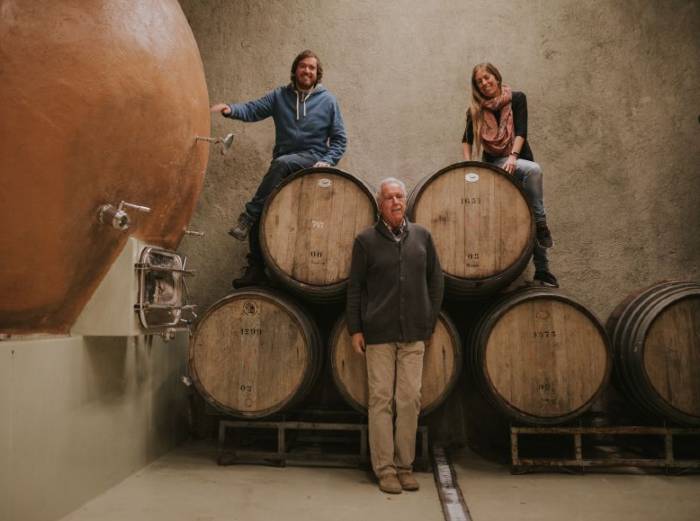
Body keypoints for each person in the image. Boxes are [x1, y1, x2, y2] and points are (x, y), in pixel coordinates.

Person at [210, 49, 347, 288]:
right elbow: (253, 109)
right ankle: (256, 268)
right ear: (295, 70)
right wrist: (230, 110)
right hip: (282, 163)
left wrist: (328, 160)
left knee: (280, 166)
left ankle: (247, 216)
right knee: (265, 209)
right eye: (303, 66)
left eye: (312, 68)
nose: (307, 71)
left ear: (317, 74)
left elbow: (339, 139)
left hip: (311, 160)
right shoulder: (279, 97)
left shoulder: (328, 100)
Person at [346, 178, 444, 494]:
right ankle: (385, 470)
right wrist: (355, 328)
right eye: (389, 197)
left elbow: (436, 283)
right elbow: (355, 288)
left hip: (415, 331)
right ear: (380, 204)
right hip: (378, 333)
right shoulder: (365, 241)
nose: (396, 201)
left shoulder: (422, 237)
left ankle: (405, 467)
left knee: (410, 400)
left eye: (400, 196)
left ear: (406, 201)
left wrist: (428, 323)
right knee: (380, 401)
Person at [462, 62, 558, 287]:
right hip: (496, 165)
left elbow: (521, 131)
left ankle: (543, 270)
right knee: (533, 184)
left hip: (519, 161)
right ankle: (542, 227)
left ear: (496, 77)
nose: (485, 83)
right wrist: (468, 165)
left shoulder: (517, 98)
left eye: (488, 77)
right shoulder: (475, 110)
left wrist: (514, 157)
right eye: (480, 81)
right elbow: (466, 139)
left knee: (531, 211)